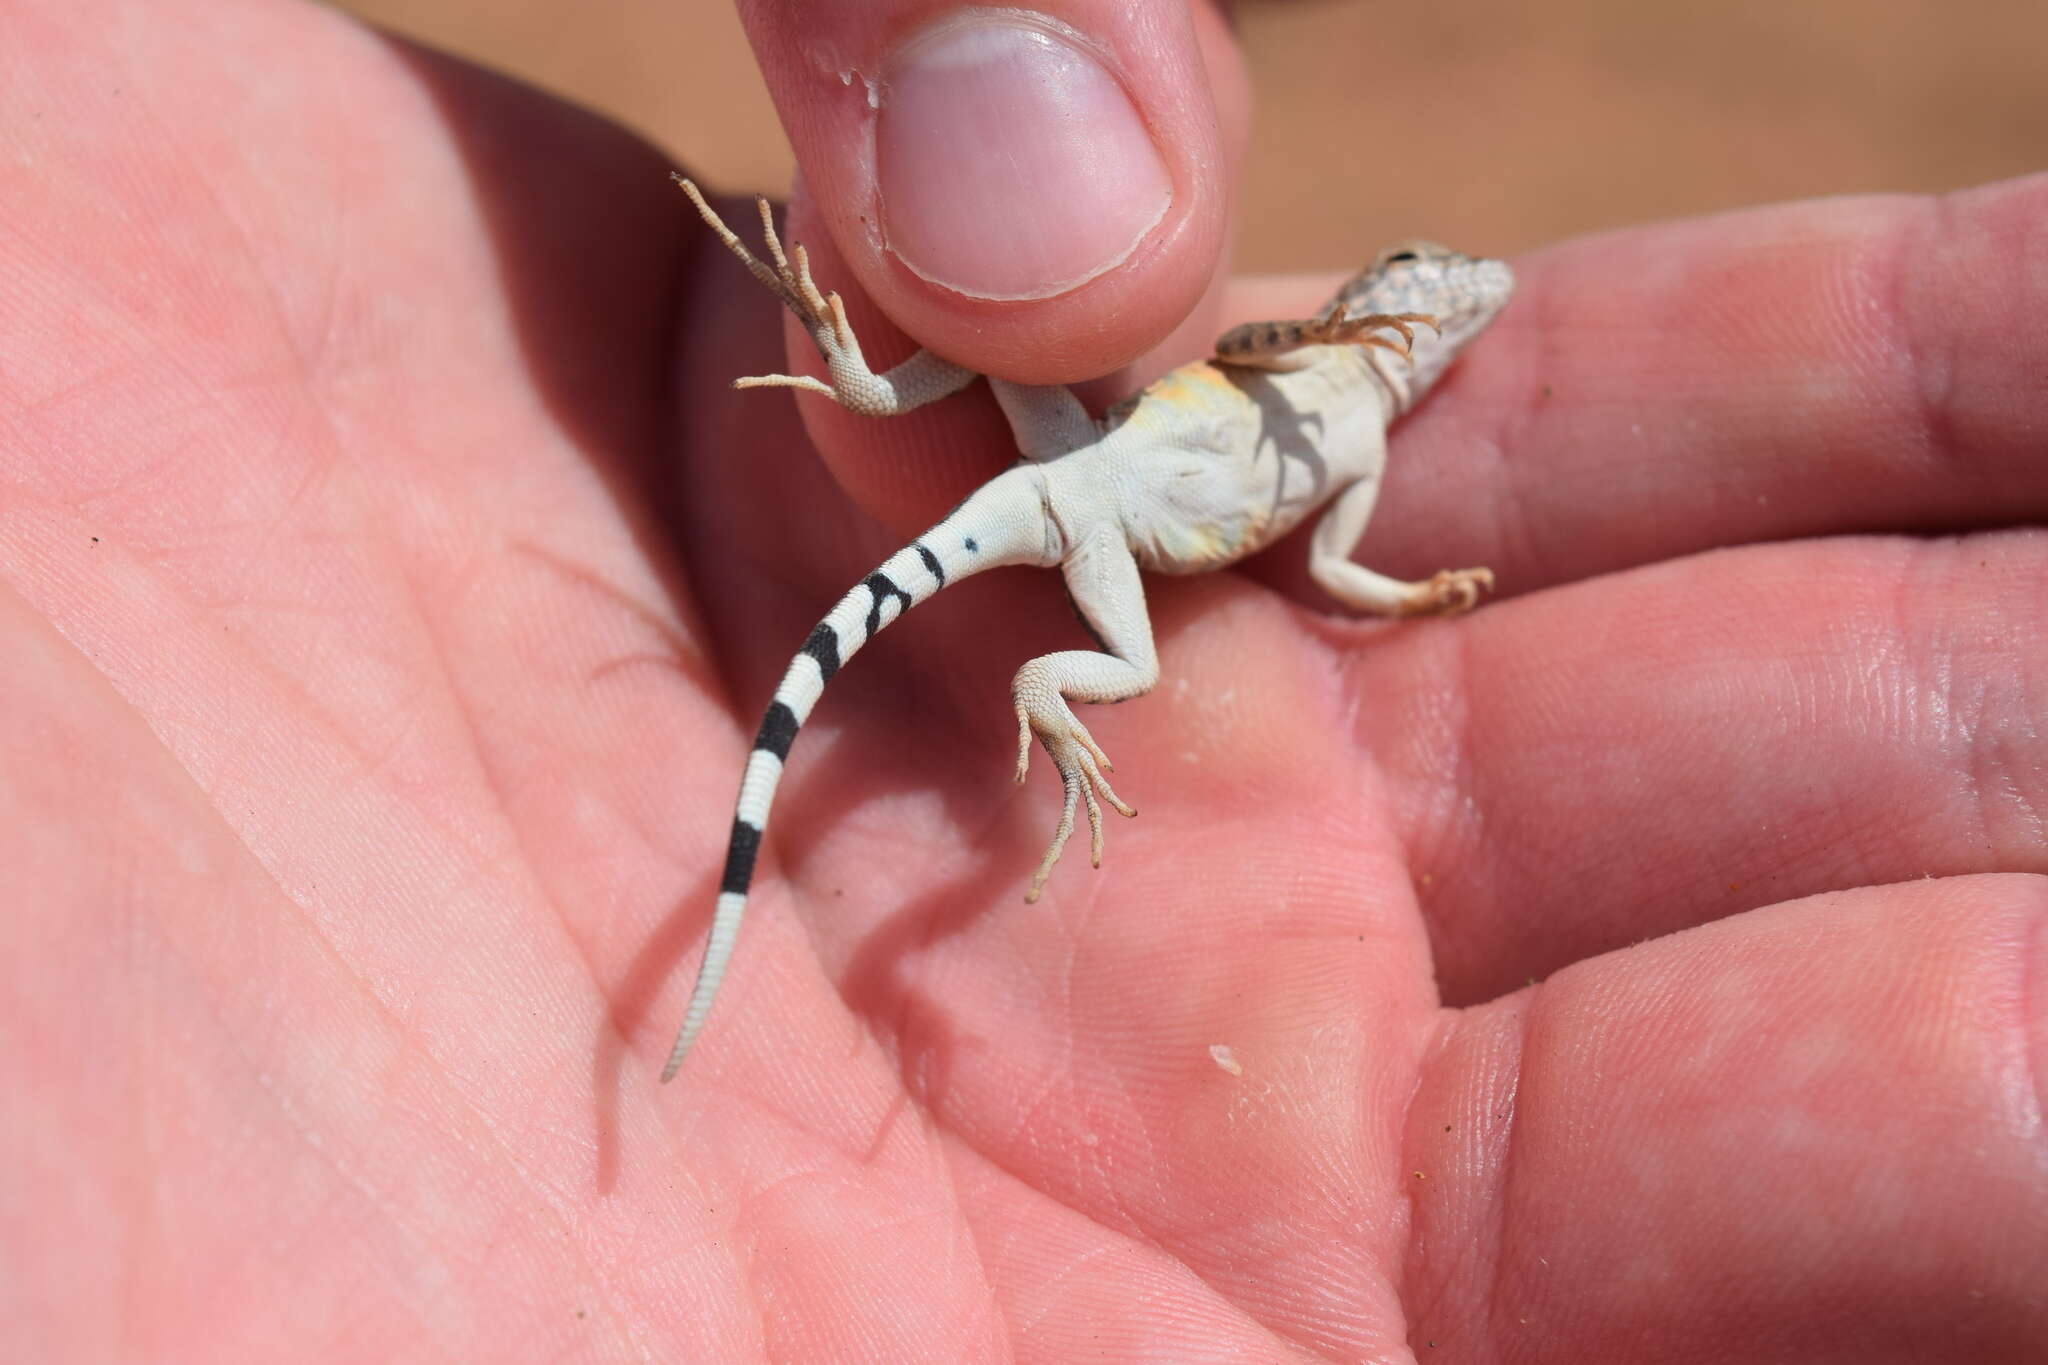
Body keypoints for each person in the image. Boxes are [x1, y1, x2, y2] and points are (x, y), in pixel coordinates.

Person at [4, 0, 2042, 1358]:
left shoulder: (1335, 427)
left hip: (1099, 495)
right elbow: (1276, 507)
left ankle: (973, 602)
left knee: (973, 485)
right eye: (1428, 305)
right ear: (1385, 317)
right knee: (1004, 398)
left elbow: (1324, 556)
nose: (1451, 321)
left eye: (1443, 317)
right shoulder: (1304, 376)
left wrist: (1403, 592)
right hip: (1086, 509)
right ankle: (992, 624)